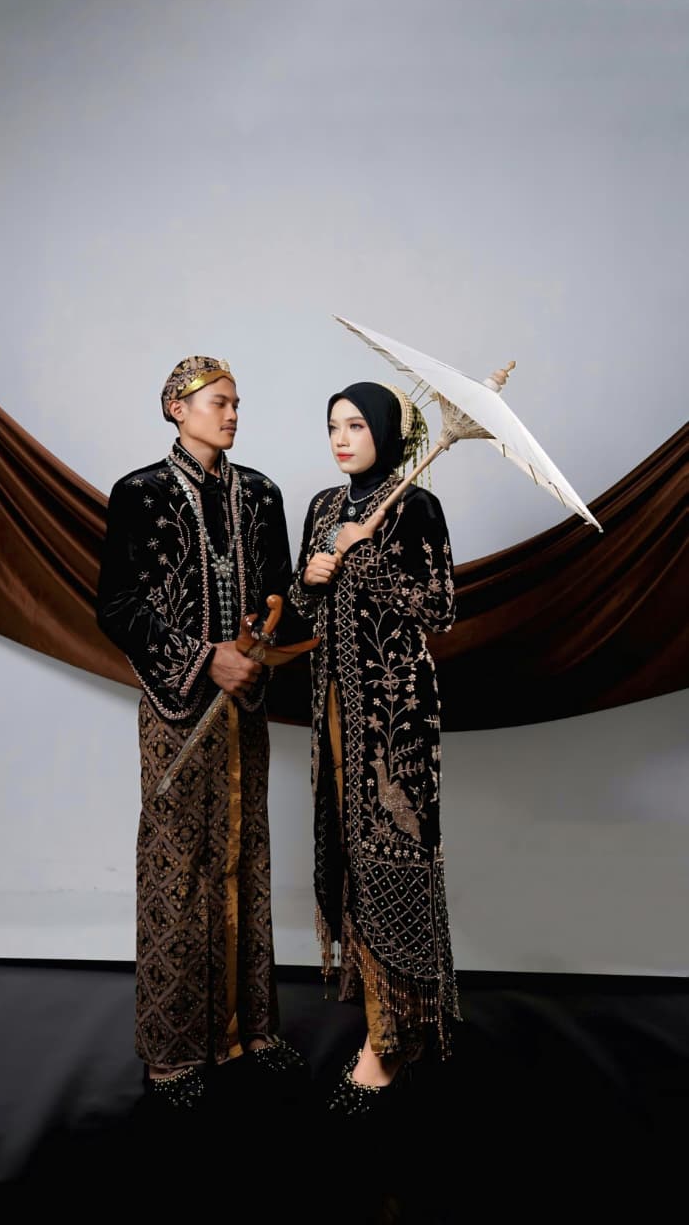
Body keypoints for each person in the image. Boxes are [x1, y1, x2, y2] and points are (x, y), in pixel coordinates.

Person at [96, 354, 305, 1109]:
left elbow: (279, 595)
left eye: (237, 403)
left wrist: (265, 635)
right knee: (176, 865)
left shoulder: (262, 494)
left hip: (244, 704)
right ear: (177, 409)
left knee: (246, 855)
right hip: (177, 707)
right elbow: (118, 605)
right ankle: (173, 1051)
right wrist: (202, 658)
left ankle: (253, 1031)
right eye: (219, 402)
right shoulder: (140, 494)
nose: (233, 414)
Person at [289, 380, 460, 1114]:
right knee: (349, 856)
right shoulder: (323, 507)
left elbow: (440, 607)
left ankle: (388, 1040)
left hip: (395, 721)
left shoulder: (415, 506)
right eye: (333, 425)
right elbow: (305, 608)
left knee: (391, 858)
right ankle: (386, 1022)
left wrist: (364, 558)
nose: (341, 438)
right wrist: (310, 575)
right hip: (333, 708)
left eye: (357, 425)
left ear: (386, 433)